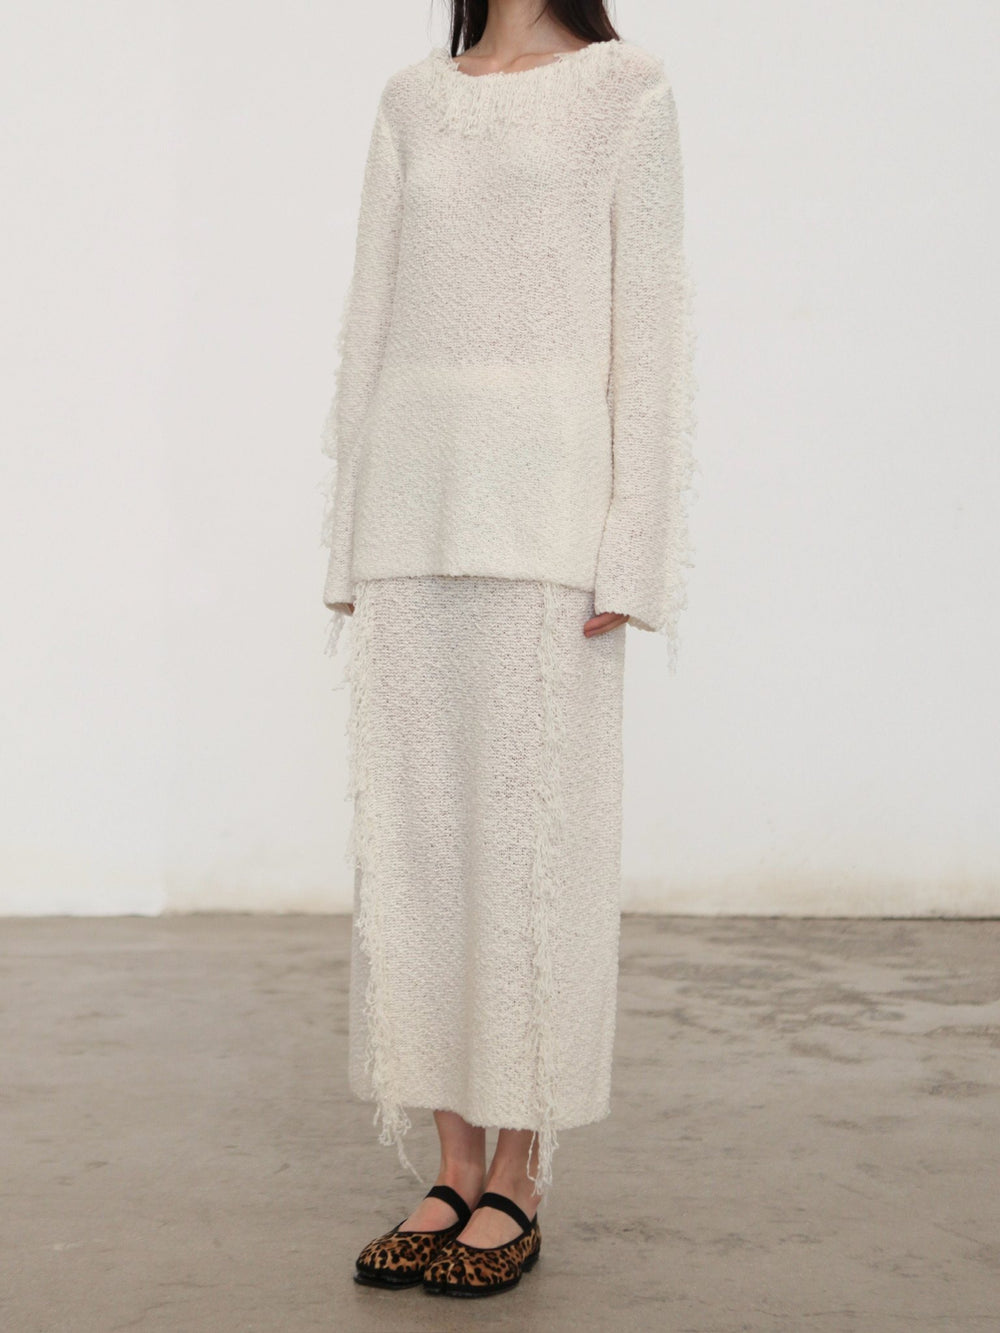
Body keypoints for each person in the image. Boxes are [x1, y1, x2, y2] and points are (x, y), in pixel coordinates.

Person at [319, 0, 696, 1300]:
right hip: (411, 506)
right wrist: (346, 537)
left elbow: (651, 331)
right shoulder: (412, 99)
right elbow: (368, 323)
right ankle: (450, 1159)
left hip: (550, 521)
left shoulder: (626, 90)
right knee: (420, 846)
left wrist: (632, 548)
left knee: (535, 851)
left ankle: (521, 1175)